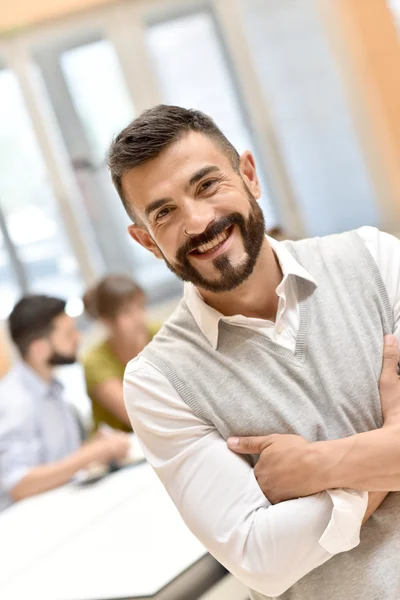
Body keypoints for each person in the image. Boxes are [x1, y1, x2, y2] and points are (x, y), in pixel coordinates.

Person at [107, 105, 400, 599]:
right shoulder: (157, 380)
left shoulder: (375, 258)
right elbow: (260, 558)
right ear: (146, 241)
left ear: (248, 175)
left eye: (206, 185)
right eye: (164, 212)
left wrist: (318, 466)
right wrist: (384, 452)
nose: (198, 221)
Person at [0, 295, 130, 511]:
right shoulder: (15, 400)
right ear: (39, 348)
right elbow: (18, 483)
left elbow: (52, 460)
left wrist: (95, 449)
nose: (78, 337)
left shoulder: (50, 388)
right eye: (69, 334)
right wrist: (91, 453)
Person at [82, 275, 159, 432]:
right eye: (126, 312)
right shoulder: (95, 361)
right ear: (106, 321)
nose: (138, 317)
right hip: (121, 449)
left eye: (140, 306)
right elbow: (135, 416)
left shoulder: (159, 333)